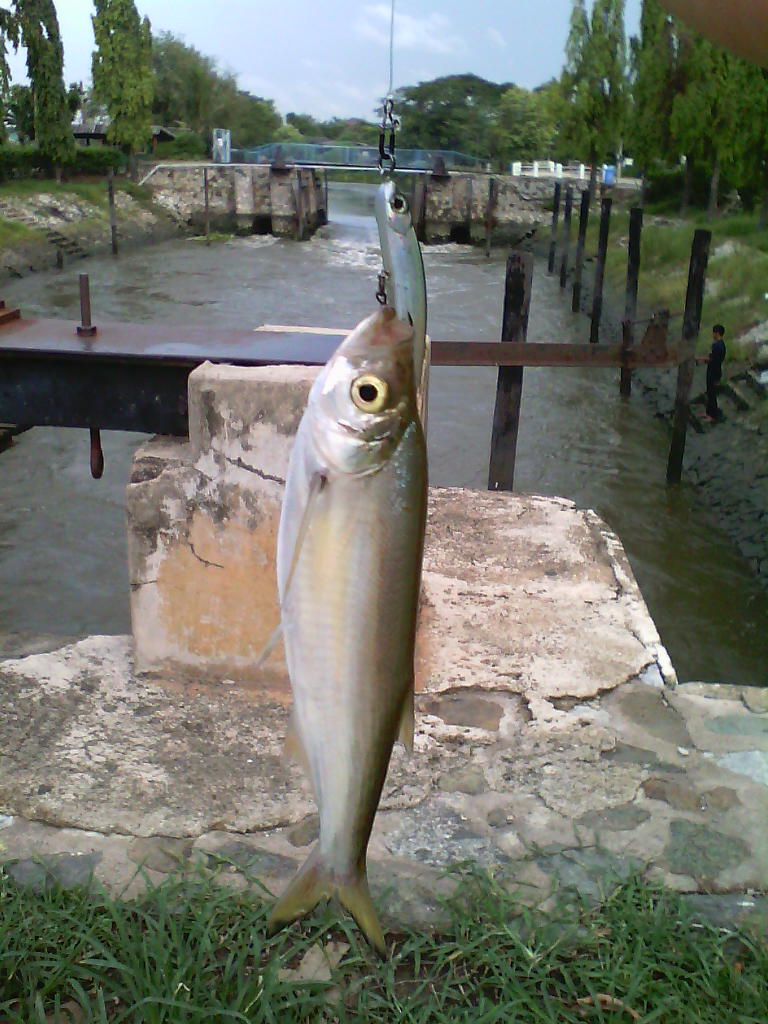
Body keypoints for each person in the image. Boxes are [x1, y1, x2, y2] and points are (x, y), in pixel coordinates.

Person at [696, 324, 726, 423]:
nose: (712, 334)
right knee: (710, 392)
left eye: (713, 332)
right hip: (715, 370)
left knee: (712, 394)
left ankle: (713, 416)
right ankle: (709, 413)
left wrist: (699, 359)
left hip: (713, 371)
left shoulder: (717, 345)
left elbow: (712, 359)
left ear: (717, 333)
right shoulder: (721, 345)